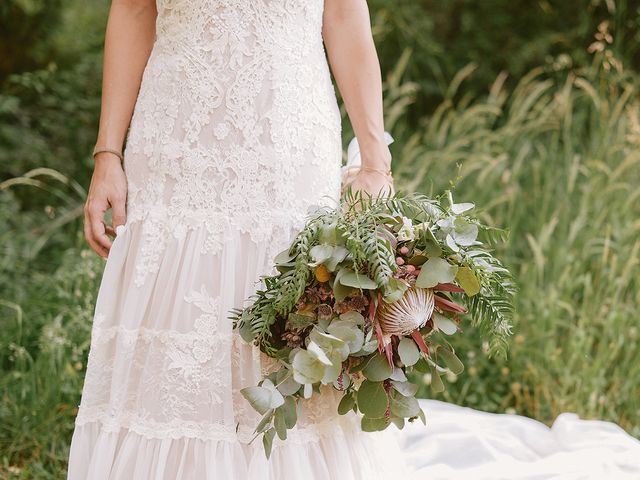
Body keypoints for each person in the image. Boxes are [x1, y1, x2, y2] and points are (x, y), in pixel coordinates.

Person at [67, 1, 406, 478]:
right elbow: (132, 9)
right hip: (173, 148)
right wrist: (108, 153)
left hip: (287, 148)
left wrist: (375, 163)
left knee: (287, 329)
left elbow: (346, 16)